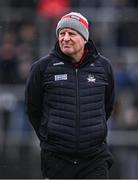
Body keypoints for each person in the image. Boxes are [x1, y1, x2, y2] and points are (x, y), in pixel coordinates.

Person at [25, 12, 115, 179]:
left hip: (94, 159)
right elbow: (33, 109)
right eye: (61, 33)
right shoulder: (42, 68)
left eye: (71, 33)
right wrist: (50, 138)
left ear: (85, 38)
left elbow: (107, 107)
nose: (65, 38)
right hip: (57, 159)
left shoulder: (104, 67)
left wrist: (92, 132)